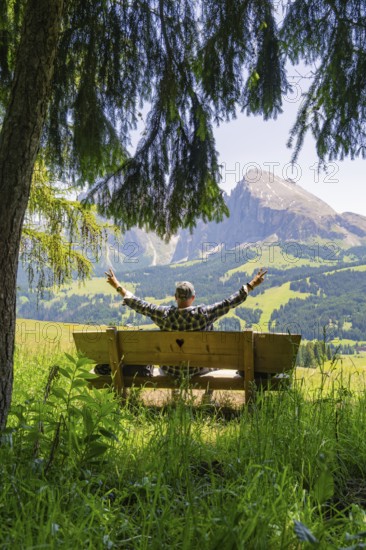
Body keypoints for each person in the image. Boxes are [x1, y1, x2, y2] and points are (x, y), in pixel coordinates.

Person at [104, 268, 267, 400]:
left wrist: (117, 286)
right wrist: (251, 284)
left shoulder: (163, 315)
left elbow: (139, 304)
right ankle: (208, 397)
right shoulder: (204, 314)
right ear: (193, 297)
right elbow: (229, 302)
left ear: (175, 298)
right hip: (197, 369)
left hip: (170, 369)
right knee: (210, 337)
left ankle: (176, 395)